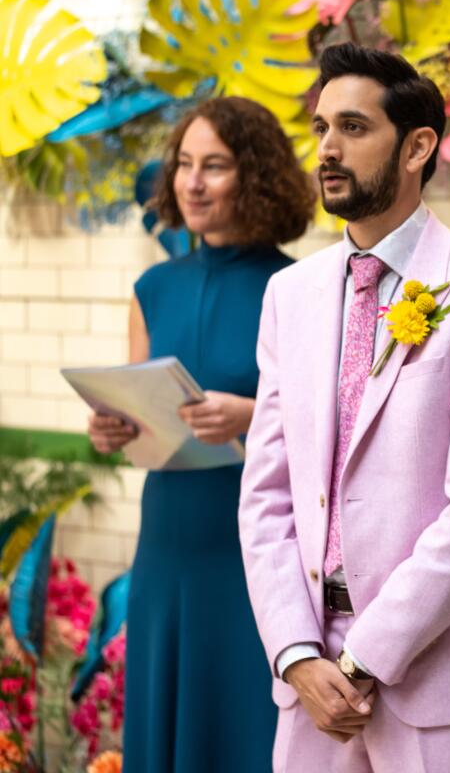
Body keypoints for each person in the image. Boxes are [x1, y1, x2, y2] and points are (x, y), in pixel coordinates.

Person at [238, 43, 450, 772]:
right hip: (310, 675)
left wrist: (366, 656)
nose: (328, 149)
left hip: (436, 672)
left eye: (352, 127)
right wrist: (296, 653)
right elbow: (267, 494)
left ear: (418, 147)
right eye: (320, 129)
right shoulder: (292, 294)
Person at [85, 96, 314, 772]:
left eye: (213, 166)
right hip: (167, 543)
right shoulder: (151, 287)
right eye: (184, 164)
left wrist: (252, 415)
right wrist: (113, 427)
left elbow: (334, 429)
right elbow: (142, 415)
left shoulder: (298, 287)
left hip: (257, 550)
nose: (191, 181)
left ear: (256, 176)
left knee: (246, 727)